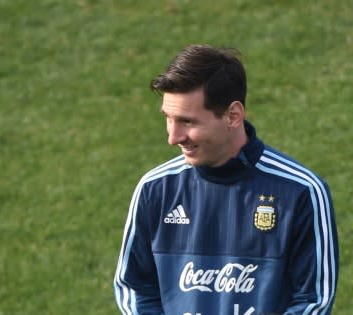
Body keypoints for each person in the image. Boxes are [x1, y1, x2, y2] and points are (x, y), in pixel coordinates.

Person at [113, 44, 339, 315]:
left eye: (187, 121)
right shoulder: (155, 189)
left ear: (233, 115)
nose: (172, 137)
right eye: (168, 119)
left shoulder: (300, 191)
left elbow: (313, 300)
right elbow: (135, 288)